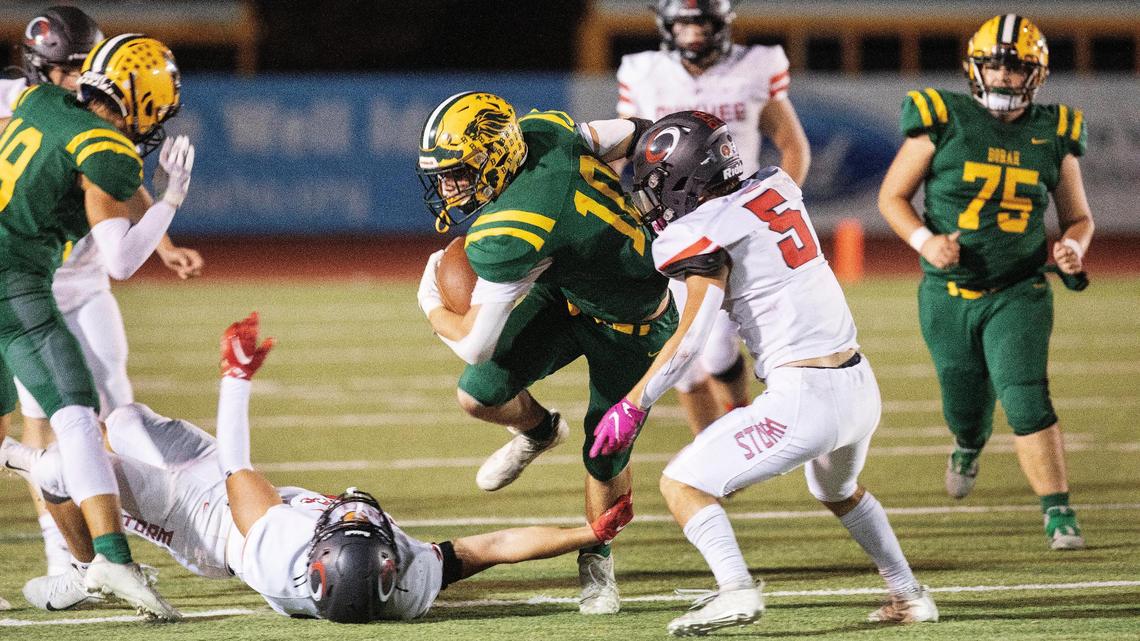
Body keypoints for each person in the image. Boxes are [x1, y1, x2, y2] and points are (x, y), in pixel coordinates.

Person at [2, 313, 635, 622]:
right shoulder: (406, 582)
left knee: (63, 468)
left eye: (345, 521)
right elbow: (489, 547)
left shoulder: (280, 548)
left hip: (201, 521)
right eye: (372, 527)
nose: (358, 511)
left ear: (316, 553)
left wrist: (235, 378)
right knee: (124, 420)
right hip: (227, 493)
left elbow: (235, 466)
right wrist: (586, 533)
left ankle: (86, 567)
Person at [590, 111, 937, 636]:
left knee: (682, 484)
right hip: (858, 384)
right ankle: (909, 594)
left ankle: (736, 589)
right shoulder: (775, 186)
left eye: (657, 185)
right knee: (837, 490)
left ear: (683, 181)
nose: (652, 199)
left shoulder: (700, 230)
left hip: (805, 396)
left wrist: (634, 403)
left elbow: (692, 338)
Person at [415, 91, 675, 614]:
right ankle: (539, 430)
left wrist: (430, 304)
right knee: (479, 395)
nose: (448, 189)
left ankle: (597, 554)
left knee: (604, 452)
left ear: (497, 156)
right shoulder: (544, 132)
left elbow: (473, 344)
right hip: (569, 290)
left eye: (458, 173)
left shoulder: (513, 225)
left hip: (634, 325)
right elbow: (638, 132)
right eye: (441, 176)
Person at [0, 5, 204, 579]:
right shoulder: (27, 102)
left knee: (112, 407)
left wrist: (163, 241)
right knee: (47, 415)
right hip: (24, 278)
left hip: (78, 275)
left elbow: (117, 181)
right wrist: (170, 202)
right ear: (43, 67)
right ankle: (67, 552)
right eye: (71, 67)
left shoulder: (76, 113)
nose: (82, 76)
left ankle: (124, 534)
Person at [876, 15, 1092, 550]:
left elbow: (1078, 218)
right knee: (964, 406)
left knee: (1025, 397)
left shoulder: (1055, 130)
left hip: (1020, 289)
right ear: (974, 68)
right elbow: (892, 197)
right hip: (948, 293)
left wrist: (1074, 248)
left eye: (1015, 67)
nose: (1002, 76)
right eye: (993, 65)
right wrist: (926, 241)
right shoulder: (943, 118)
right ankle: (969, 443)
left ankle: (1058, 510)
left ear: (1036, 75)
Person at [615, 0, 811, 435]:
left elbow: (792, 145)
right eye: (683, 24)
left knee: (719, 350)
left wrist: (777, 206)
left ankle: (739, 409)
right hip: (672, 222)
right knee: (684, 360)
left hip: (734, 220)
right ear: (667, 26)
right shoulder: (643, 71)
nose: (693, 33)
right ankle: (709, 444)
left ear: (721, 23)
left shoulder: (755, 65)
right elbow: (622, 149)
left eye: (702, 23)